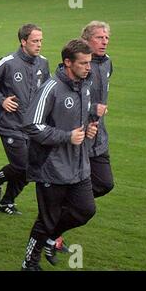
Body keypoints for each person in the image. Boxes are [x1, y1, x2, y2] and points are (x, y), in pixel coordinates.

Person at [20, 39, 98, 271]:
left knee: (86, 210)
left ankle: (50, 240)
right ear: (67, 63)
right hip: (50, 167)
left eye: (89, 63)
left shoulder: (84, 85)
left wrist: (88, 129)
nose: (88, 67)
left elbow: (78, 120)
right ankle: (29, 263)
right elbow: (32, 125)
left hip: (78, 164)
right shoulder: (51, 88)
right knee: (47, 219)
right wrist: (66, 136)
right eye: (83, 63)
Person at [0, 24, 50, 215]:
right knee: (23, 166)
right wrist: (1, 100)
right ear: (23, 42)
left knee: (29, 170)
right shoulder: (8, 62)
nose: (39, 45)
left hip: (32, 126)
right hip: (10, 124)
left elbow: (48, 91)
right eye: (34, 41)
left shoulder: (43, 63)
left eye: (40, 41)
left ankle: (7, 202)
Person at [81, 21, 114, 198]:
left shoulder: (107, 62)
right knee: (72, 179)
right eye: (99, 37)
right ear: (87, 40)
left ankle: (69, 203)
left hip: (99, 135)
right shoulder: (78, 64)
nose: (104, 41)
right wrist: (93, 108)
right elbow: (68, 96)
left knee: (105, 183)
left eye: (107, 37)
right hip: (80, 134)